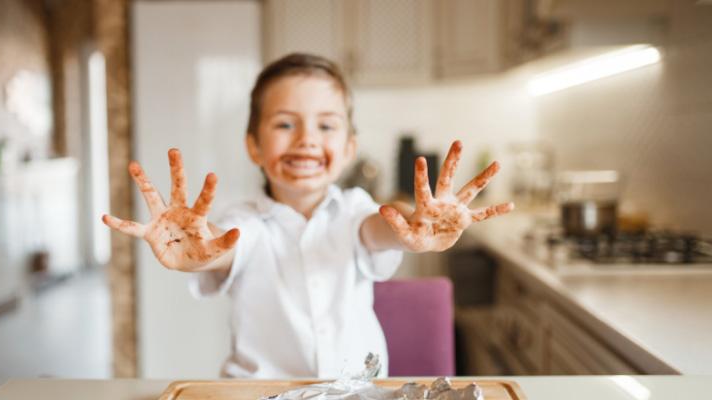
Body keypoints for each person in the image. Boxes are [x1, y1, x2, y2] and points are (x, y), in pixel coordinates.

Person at [102, 53, 513, 379]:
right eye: (285, 124)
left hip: (357, 394)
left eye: (326, 125)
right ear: (254, 147)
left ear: (350, 148)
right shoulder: (244, 220)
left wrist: (415, 224)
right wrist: (199, 246)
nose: (306, 140)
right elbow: (223, 243)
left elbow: (381, 227)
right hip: (260, 395)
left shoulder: (354, 208)